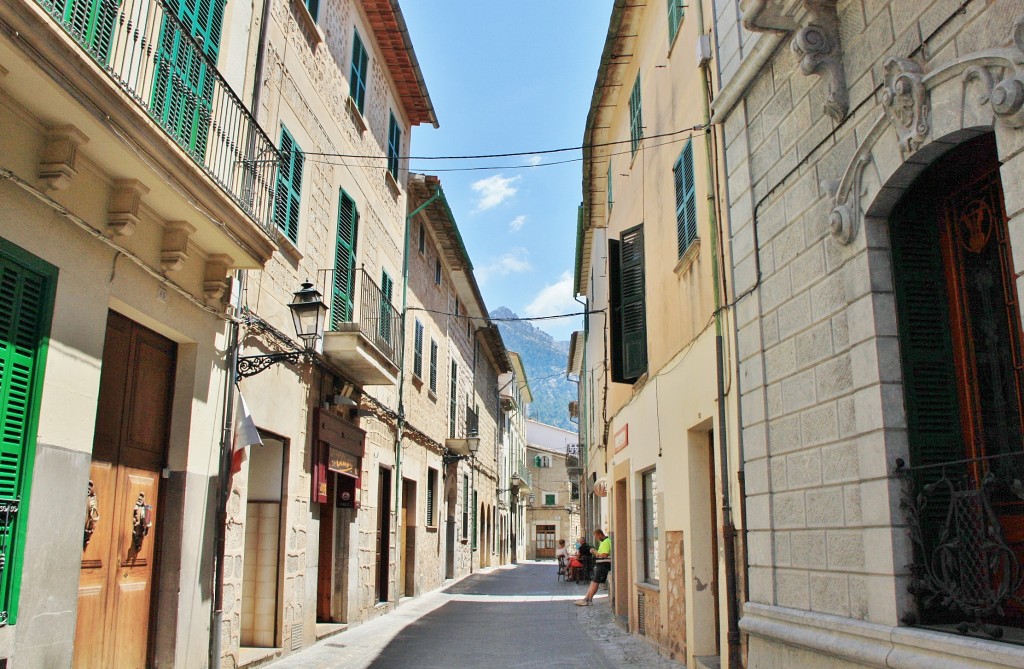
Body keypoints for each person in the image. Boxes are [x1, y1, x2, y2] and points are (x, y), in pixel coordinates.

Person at [576, 529, 611, 606]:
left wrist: (594, 552)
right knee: (593, 581)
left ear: (599, 534)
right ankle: (586, 598)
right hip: (600, 564)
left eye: (596, 536)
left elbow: (604, 555)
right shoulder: (604, 542)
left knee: (595, 582)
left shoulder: (606, 542)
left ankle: (589, 600)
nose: (596, 538)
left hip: (603, 564)